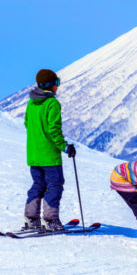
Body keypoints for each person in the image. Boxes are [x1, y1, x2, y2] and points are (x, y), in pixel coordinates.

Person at [24, 69, 76, 231]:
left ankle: (31, 218)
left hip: (34, 155)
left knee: (38, 184)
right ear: (50, 85)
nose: (58, 87)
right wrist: (65, 147)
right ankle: (51, 219)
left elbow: (27, 124)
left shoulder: (31, 103)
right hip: (49, 156)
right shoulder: (52, 103)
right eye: (57, 83)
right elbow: (54, 130)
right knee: (54, 185)